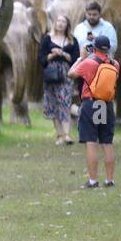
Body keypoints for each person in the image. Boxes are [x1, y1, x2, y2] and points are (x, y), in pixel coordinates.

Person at [67, 35, 119, 188]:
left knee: (91, 141)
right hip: (106, 104)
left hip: (91, 103)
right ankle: (109, 180)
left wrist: (80, 58)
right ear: (108, 48)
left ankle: (93, 180)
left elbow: (70, 74)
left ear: (94, 47)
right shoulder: (115, 64)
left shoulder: (88, 62)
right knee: (106, 142)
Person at [38, 13, 79, 144]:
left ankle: (67, 134)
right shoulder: (47, 39)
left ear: (67, 25)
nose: (60, 24)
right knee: (53, 103)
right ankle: (59, 134)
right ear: (54, 24)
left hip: (66, 75)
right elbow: (40, 58)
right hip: (50, 74)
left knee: (65, 101)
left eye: (63, 21)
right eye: (58, 21)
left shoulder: (72, 40)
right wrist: (51, 55)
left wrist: (65, 54)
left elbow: (76, 59)